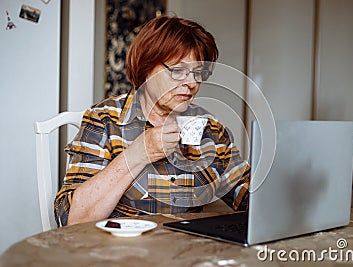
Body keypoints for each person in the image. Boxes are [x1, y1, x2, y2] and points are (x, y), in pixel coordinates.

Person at [55, 15, 250, 226]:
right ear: (146, 67)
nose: (192, 82)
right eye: (178, 71)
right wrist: (139, 152)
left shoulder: (209, 128)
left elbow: (247, 193)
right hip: (121, 253)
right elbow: (71, 219)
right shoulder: (104, 119)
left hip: (188, 252)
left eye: (199, 72)